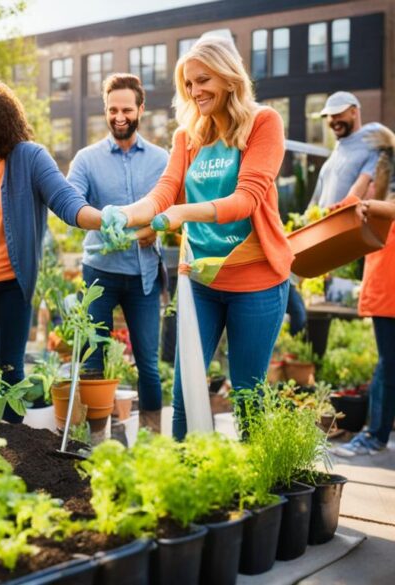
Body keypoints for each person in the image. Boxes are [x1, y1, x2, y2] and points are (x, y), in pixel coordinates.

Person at [102, 37, 291, 439]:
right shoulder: (188, 136)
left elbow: (245, 200)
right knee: (186, 391)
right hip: (202, 279)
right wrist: (121, 215)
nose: (195, 91)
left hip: (255, 279)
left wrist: (180, 215)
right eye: (188, 84)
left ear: (227, 77)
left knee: (247, 395)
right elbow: (164, 192)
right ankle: (183, 481)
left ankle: (257, 490)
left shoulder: (263, 123)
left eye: (203, 80)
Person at [0, 76, 103, 423]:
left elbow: (65, 200)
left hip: (14, 283)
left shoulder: (28, 158)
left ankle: (15, 447)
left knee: (10, 367)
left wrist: (103, 219)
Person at [67, 73, 169, 434]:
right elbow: (72, 203)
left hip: (143, 274)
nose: (119, 116)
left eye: (127, 108)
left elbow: (176, 210)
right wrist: (102, 222)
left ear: (141, 109)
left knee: (149, 365)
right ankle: (98, 440)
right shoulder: (86, 159)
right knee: (92, 357)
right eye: (113, 109)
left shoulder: (162, 160)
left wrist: (149, 229)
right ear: (105, 111)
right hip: (99, 272)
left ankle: (152, 439)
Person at [334, 131, 395, 457]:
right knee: (389, 363)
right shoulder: (379, 198)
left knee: (388, 364)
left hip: (388, 289)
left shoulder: (382, 199)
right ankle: (375, 434)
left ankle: (374, 436)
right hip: (386, 290)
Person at [308, 92, 384, 208]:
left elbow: (361, 186)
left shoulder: (371, 145)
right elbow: (315, 200)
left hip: (347, 223)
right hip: (325, 223)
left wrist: (341, 211)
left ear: (354, 112)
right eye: (330, 116)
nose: (333, 120)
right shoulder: (334, 155)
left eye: (338, 115)